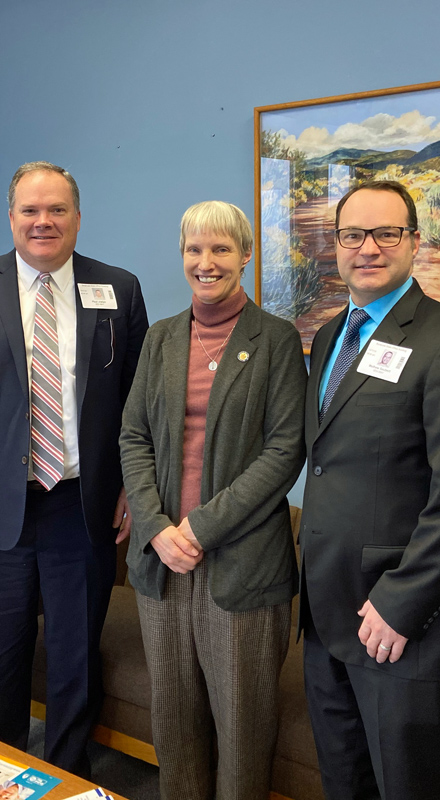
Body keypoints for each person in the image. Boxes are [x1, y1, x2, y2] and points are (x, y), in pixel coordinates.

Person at [120, 201, 307, 800]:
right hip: (161, 565)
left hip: (243, 567)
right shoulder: (161, 338)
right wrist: (155, 526)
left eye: (221, 249)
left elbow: (284, 451)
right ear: (182, 258)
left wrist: (198, 529)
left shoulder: (275, 339)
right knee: (173, 721)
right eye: (195, 250)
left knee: (243, 727)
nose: (207, 262)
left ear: (246, 255)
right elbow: (133, 436)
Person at [0, 161, 148, 776]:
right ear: (12, 219)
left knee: (73, 659)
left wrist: (134, 490)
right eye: (30, 210)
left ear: (78, 219)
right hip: (5, 507)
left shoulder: (118, 288)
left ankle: (64, 777)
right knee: (5, 659)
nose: (43, 222)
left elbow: (141, 401)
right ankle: (6, 776)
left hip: (80, 504)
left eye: (56, 209)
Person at [299, 179, 440, 800]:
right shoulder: (330, 336)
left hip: (397, 624)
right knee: (342, 781)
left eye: (387, 233)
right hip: (326, 612)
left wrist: (402, 601)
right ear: (335, 245)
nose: (369, 248)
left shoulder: (436, 337)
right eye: (354, 234)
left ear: (414, 242)